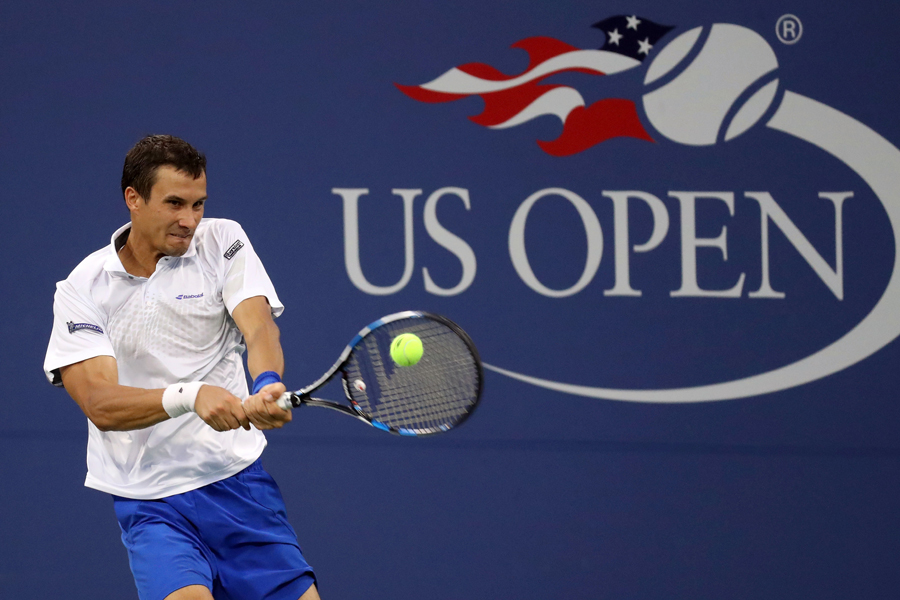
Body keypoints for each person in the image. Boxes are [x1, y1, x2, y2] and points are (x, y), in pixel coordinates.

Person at [43, 134, 320, 600]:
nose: (189, 220)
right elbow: (99, 404)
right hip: (151, 502)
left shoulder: (223, 240)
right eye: (174, 203)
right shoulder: (82, 288)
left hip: (238, 487)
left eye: (198, 204)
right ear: (133, 198)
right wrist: (190, 396)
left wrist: (267, 382)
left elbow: (259, 327)